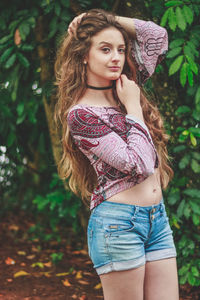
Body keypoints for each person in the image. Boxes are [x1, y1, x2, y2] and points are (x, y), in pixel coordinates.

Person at [54, 9, 179, 300]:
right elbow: (139, 163)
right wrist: (133, 107)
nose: (116, 58)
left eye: (121, 50)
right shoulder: (82, 115)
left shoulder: (126, 84)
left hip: (157, 220)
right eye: (105, 49)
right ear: (84, 55)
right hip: (117, 226)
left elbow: (157, 36)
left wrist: (97, 17)